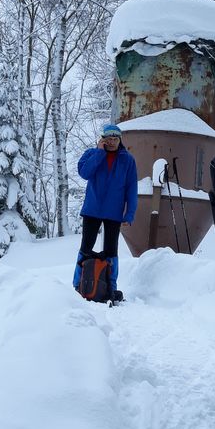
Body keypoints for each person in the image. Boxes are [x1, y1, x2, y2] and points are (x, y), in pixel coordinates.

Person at [73, 124, 138, 299]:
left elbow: (132, 189)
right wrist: (99, 153)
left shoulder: (128, 160)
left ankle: (110, 286)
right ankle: (77, 284)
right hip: (92, 210)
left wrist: (129, 213)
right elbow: (85, 173)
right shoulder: (91, 154)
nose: (111, 142)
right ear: (102, 139)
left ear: (120, 140)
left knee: (111, 251)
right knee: (85, 247)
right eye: (108, 139)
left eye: (115, 139)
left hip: (114, 213)